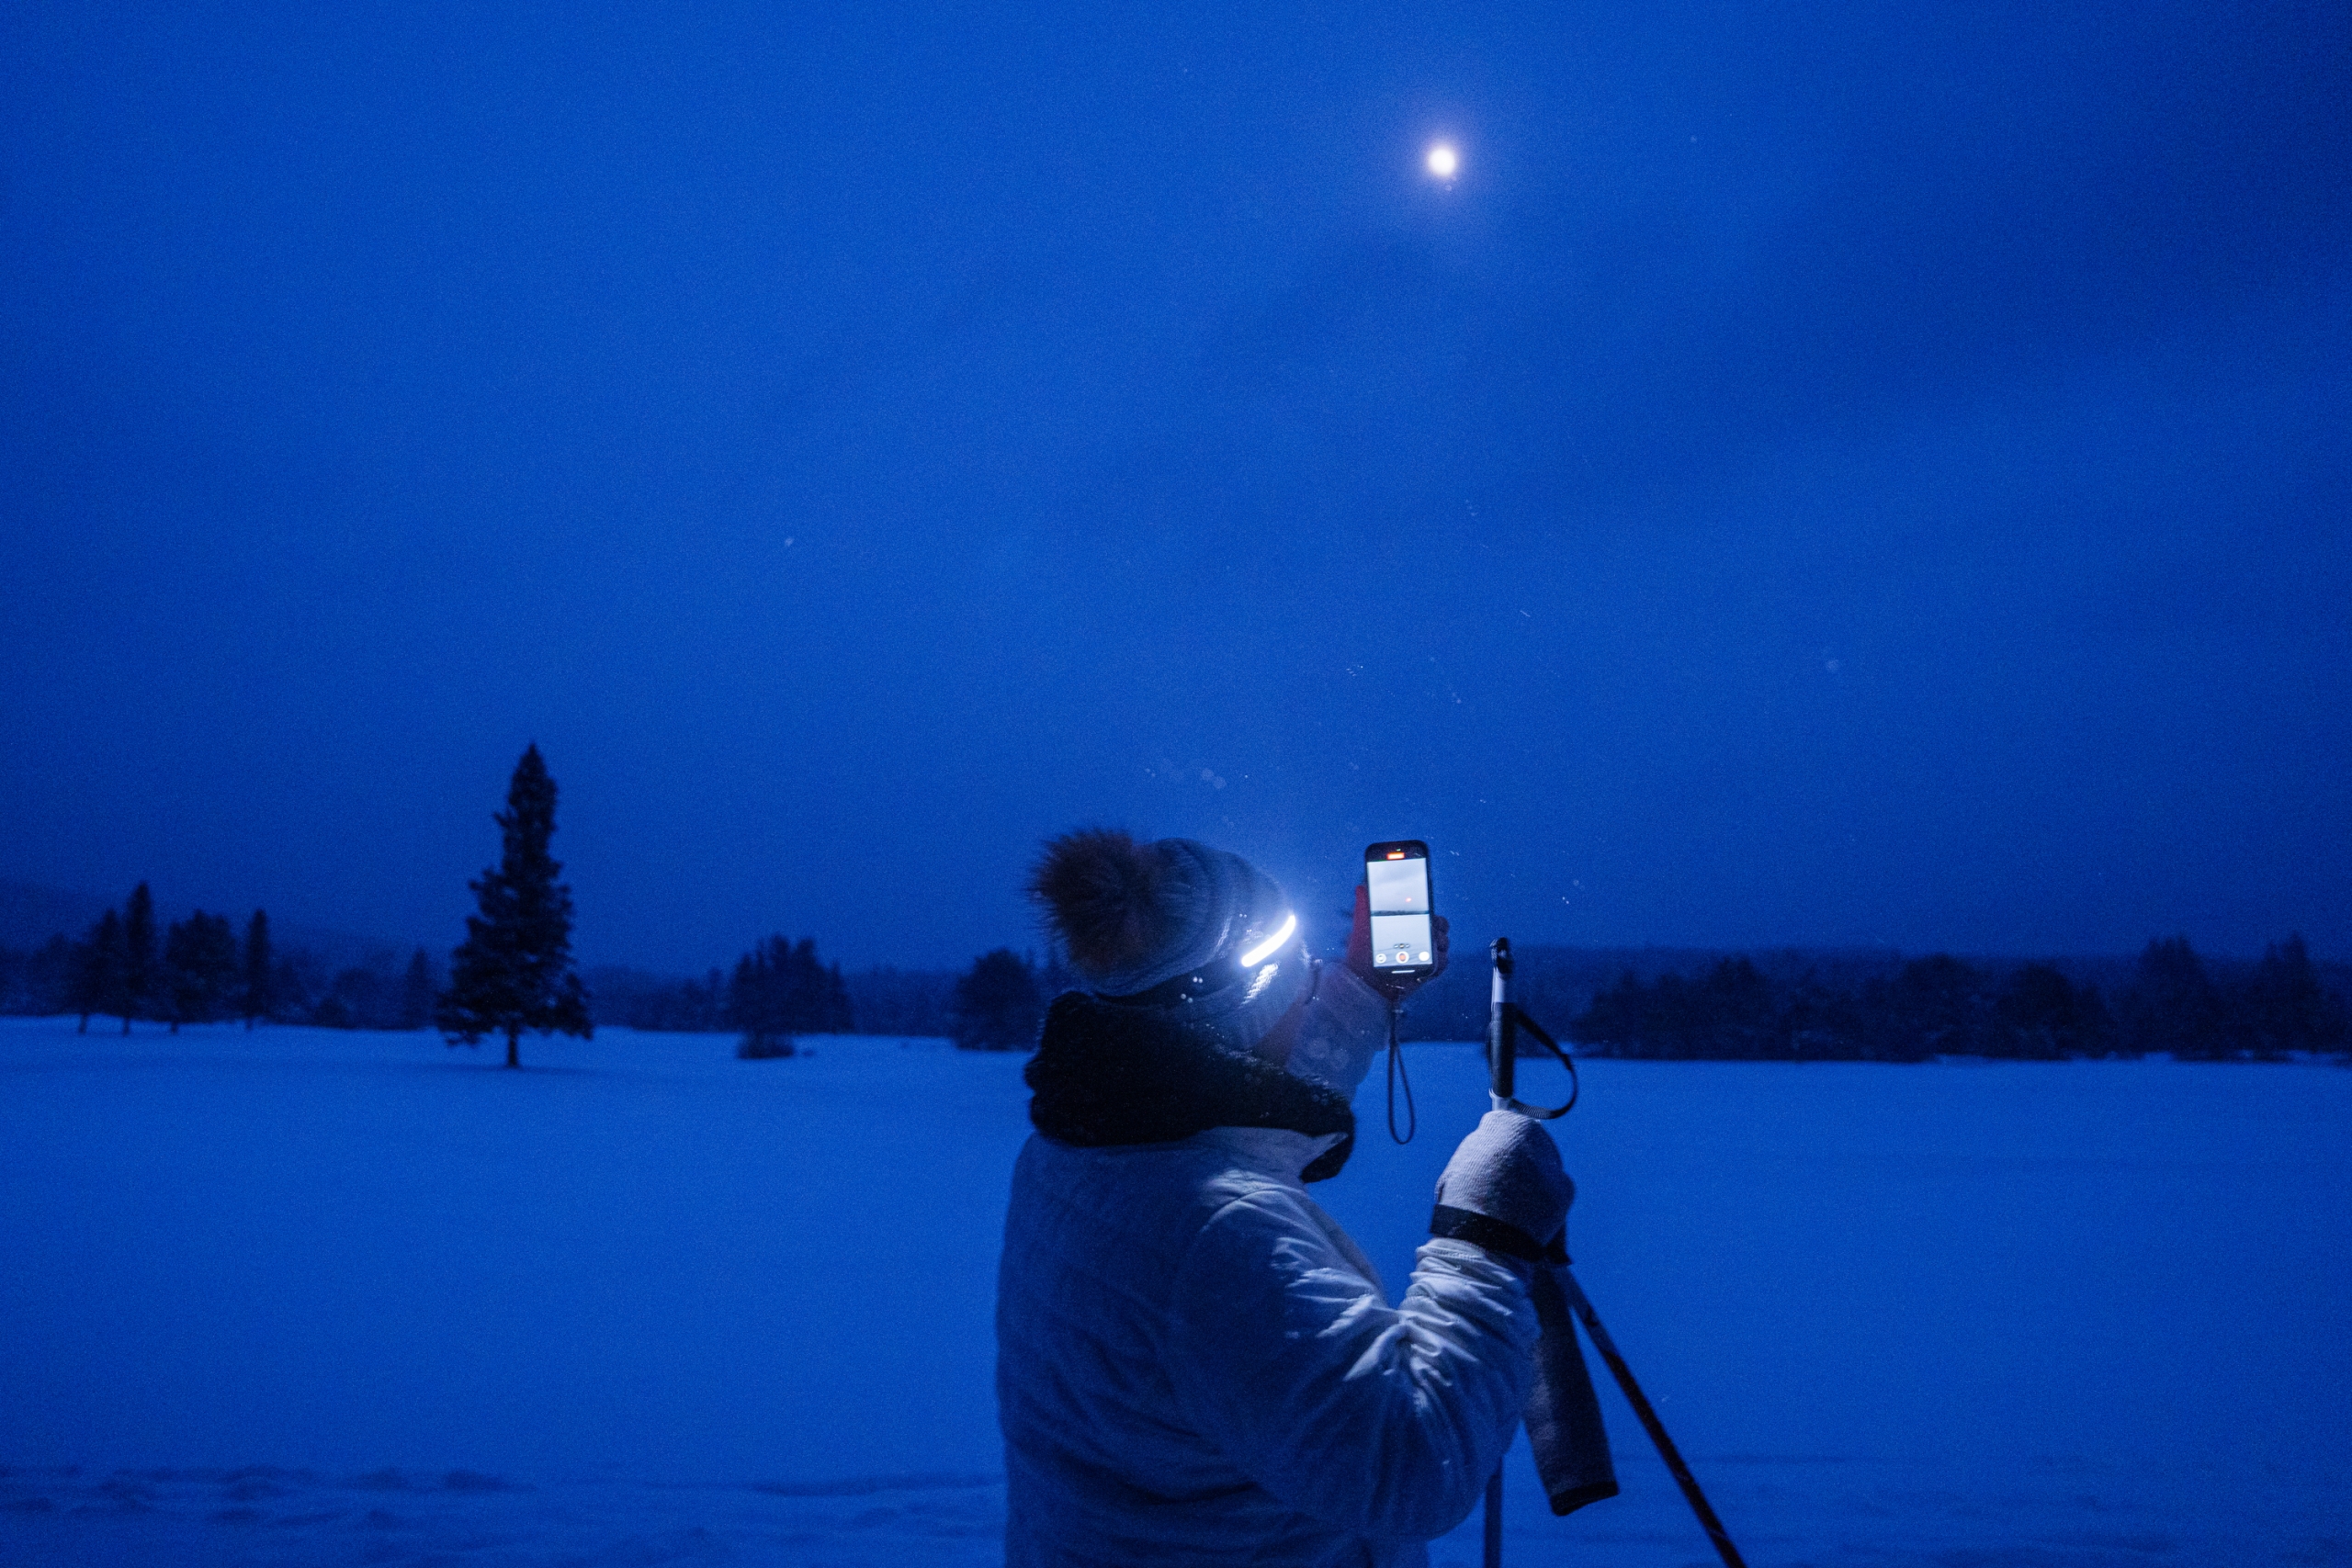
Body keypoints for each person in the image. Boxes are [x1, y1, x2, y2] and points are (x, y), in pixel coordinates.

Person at [997, 829, 1577, 1568]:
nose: (1310, 980)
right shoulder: (1216, 1236)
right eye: (1297, 972)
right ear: (1246, 1003)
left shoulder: (1084, 1143)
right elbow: (1408, 1465)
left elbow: (1232, 1116)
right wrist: (1483, 1237)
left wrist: (1363, 990)